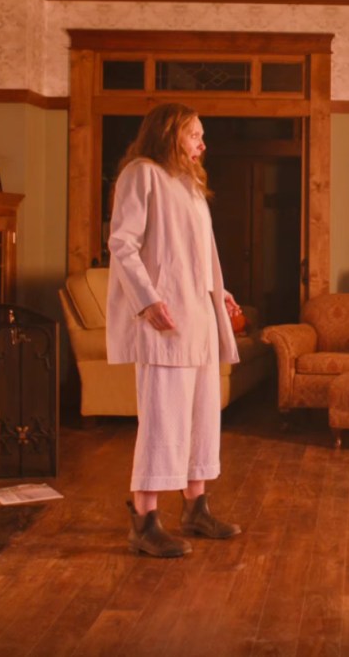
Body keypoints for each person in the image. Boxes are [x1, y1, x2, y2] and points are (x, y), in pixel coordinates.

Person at [107, 102, 242, 558]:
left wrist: (218, 292)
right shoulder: (141, 174)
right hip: (164, 320)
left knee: (202, 416)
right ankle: (144, 522)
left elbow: (198, 253)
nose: (202, 143)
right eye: (194, 134)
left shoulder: (189, 184)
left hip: (198, 317)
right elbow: (122, 244)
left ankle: (195, 508)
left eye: (201, 135)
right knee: (163, 421)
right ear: (169, 134)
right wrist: (147, 300)